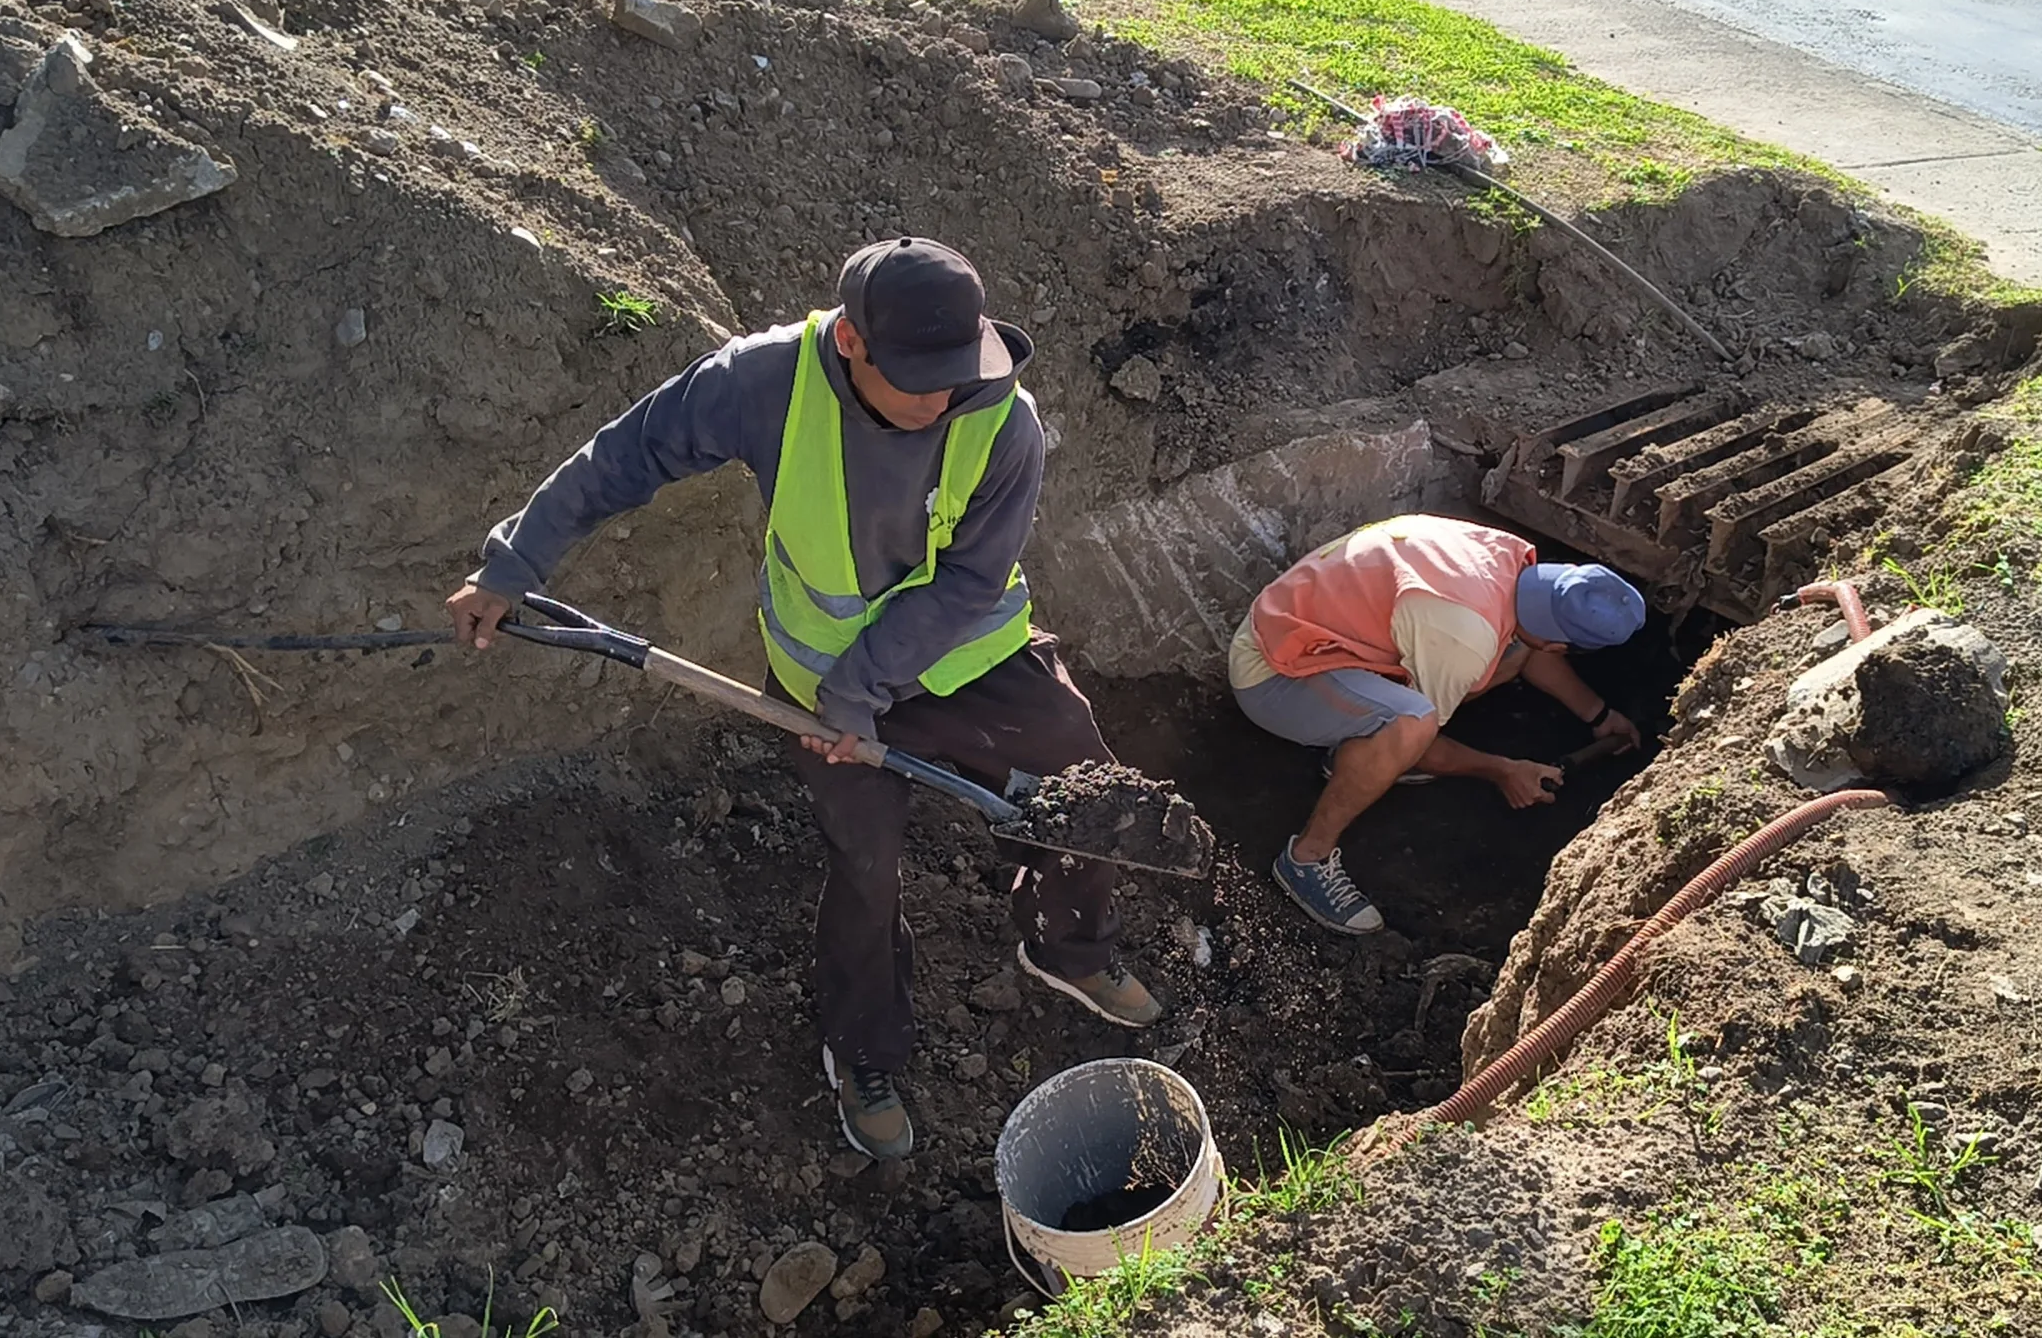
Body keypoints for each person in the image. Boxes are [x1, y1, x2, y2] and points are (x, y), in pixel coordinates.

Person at [442, 236, 1160, 1160]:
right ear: (855, 344)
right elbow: (623, 457)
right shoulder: (762, 382)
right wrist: (512, 567)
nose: (945, 399)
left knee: (1089, 796)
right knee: (865, 868)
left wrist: (867, 688)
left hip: (963, 651)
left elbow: (972, 580)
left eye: (958, 374)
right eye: (920, 378)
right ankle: (863, 1052)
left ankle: (1071, 950)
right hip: (818, 678)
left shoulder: (1004, 420)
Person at [1228, 513, 1647, 935]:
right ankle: (1306, 859)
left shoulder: (1508, 557)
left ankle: (1361, 756)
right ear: (1559, 644)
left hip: (1307, 626)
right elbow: (1422, 740)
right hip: (1274, 673)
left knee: (1506, 655)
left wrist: (1598, 714)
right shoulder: (1465, 633)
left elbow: (1528, 646)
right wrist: (1503, 770)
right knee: (1411, 724)